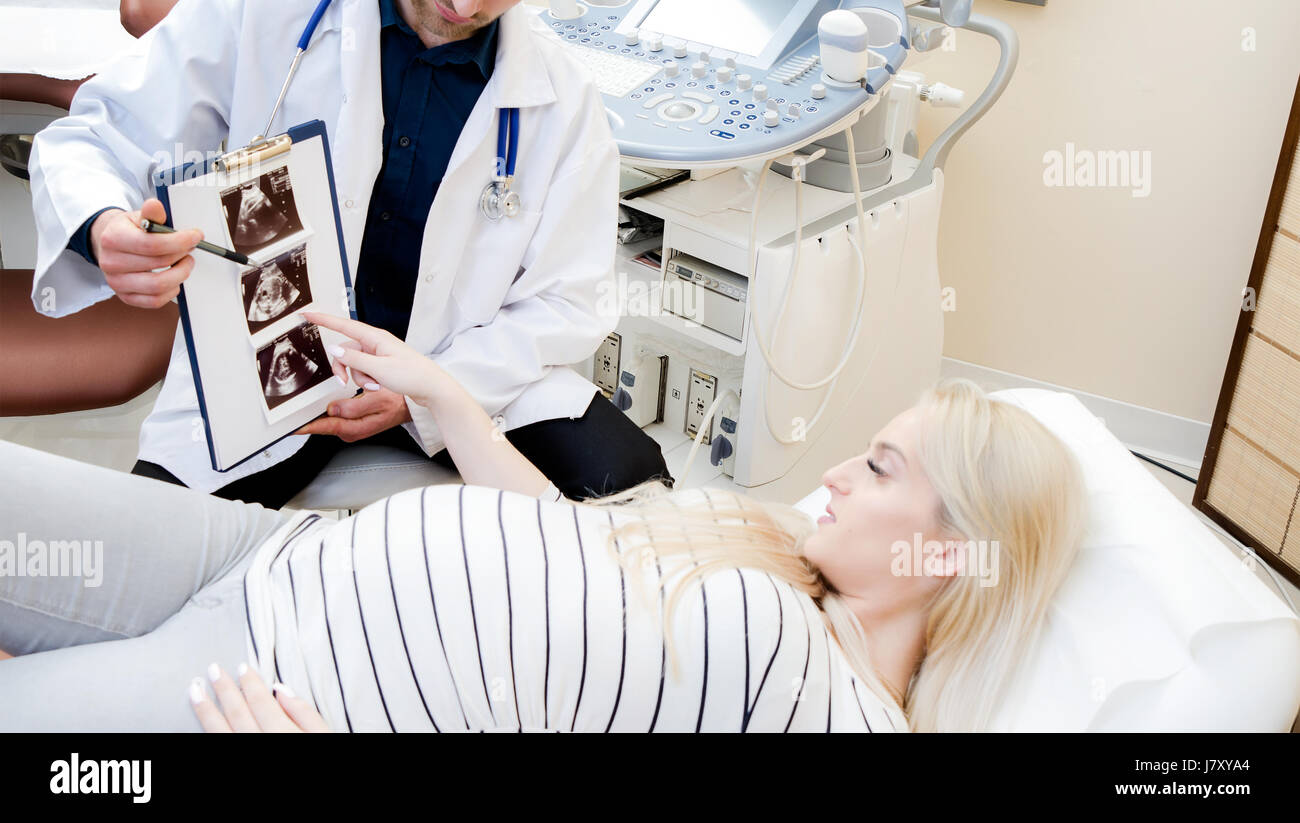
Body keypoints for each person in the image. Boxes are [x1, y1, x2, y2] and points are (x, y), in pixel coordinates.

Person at [0, 312, 1087, 732]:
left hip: (272, 677)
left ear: (950, 548)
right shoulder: (780, 565)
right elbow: (575, 540)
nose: (839, 471)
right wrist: (449, 401)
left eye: (882, 466)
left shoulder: (836, 719)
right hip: (265, 553)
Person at [27, 0, 670, 507]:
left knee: (644, 505)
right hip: (272, 369)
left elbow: (564, 303)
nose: (469, 1)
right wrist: (104, 226)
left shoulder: (564, 100)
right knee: (156, 554)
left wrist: (425, 392)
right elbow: (94, 137)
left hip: (467, 376)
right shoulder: (260, 1)